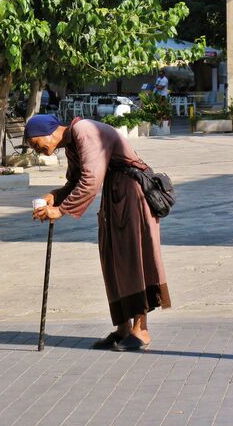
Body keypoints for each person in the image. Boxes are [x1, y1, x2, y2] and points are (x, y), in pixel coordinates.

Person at [26, 114, 171, 351]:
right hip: (115, 196)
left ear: (49, 131)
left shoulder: (83, 130)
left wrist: (61, 211)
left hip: (132, 193)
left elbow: (91, 180)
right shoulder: (72, 142)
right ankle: (123, 327)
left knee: (132, 258)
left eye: (35, 142)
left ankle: (141, 329)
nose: (36, 149)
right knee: (112, 259)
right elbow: (75, 182)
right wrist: (54, 196)